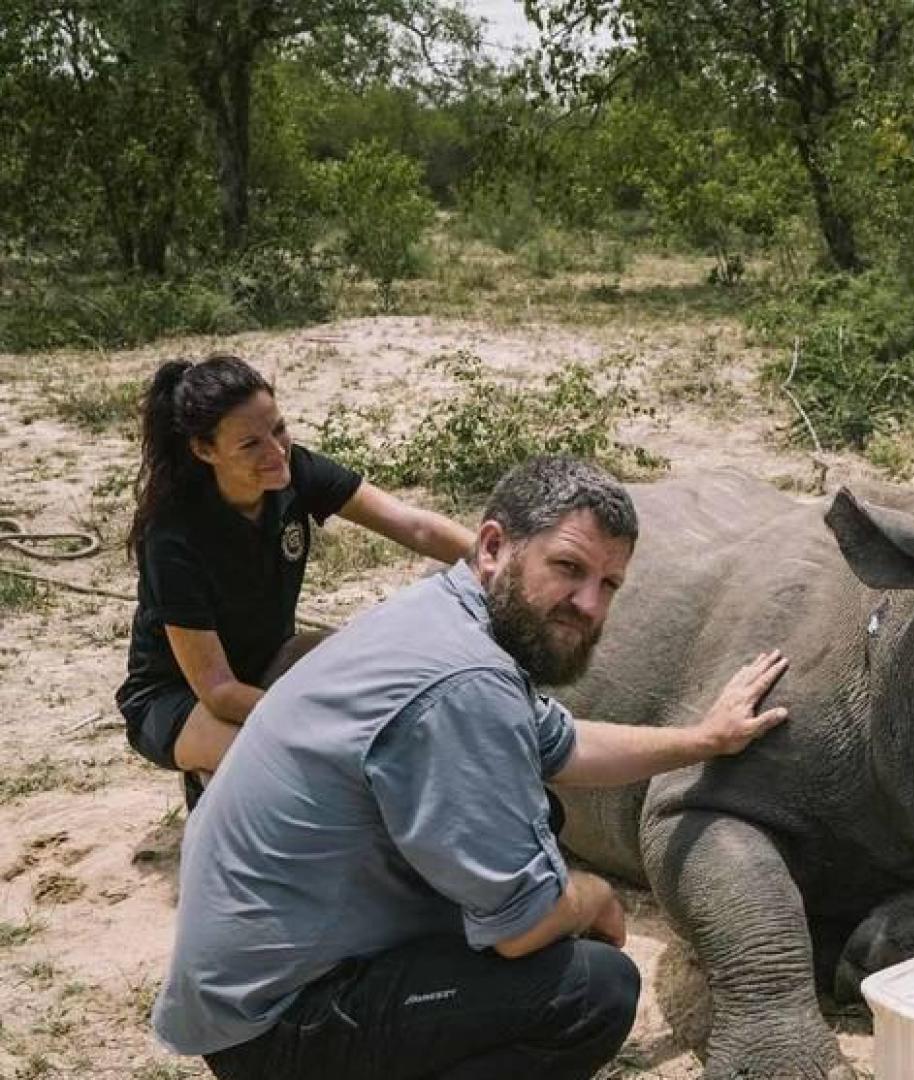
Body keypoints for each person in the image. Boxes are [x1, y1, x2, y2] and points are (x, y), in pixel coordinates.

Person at [151, 456, 792, 1080]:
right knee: (593, 990)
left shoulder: (446, 615)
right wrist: (593, 897)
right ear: (492, 548)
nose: (589, 605)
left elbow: (564, 745)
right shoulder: (466, 683)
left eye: (609, 585)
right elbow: (524, 930)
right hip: (278, 1023)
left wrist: (703, 739)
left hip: (255, 980)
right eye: (568, 568)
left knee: (542, 818)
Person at [118, 355, 473, 803]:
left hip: (270, 660)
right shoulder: (173, 535)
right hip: (181, 698)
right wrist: (322, 718)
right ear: (205, 450)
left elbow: (415, 527)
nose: (275, 452)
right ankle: (208, 781)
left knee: (378, 670)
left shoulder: (294, 471)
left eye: (279, 429)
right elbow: (219, 691)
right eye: (250, 444)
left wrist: (500, 563)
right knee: (296, 766)